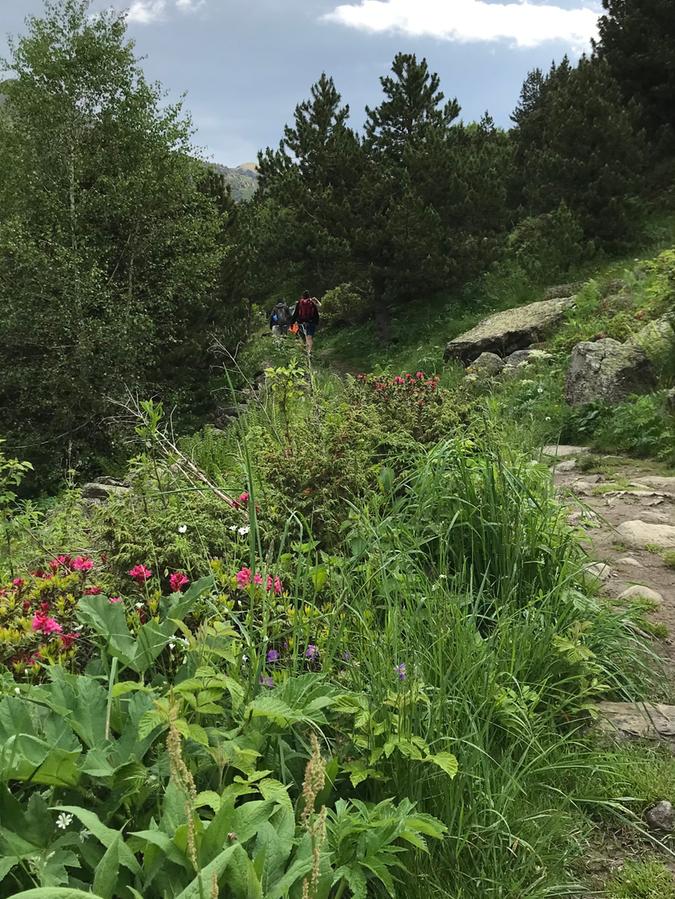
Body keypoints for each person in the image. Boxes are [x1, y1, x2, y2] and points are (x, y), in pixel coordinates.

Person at [290, 290, 321, 354]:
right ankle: (309, 351)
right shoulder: (312, 303)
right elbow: (317, 312)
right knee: (309, 337)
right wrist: (316, 322)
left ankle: (306, 351)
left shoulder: (299, 303)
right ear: (309, 296)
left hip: (302, 323)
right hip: (311, 322)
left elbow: (295, 314)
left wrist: (292, 323)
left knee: (306, 336)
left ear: (302, 296)